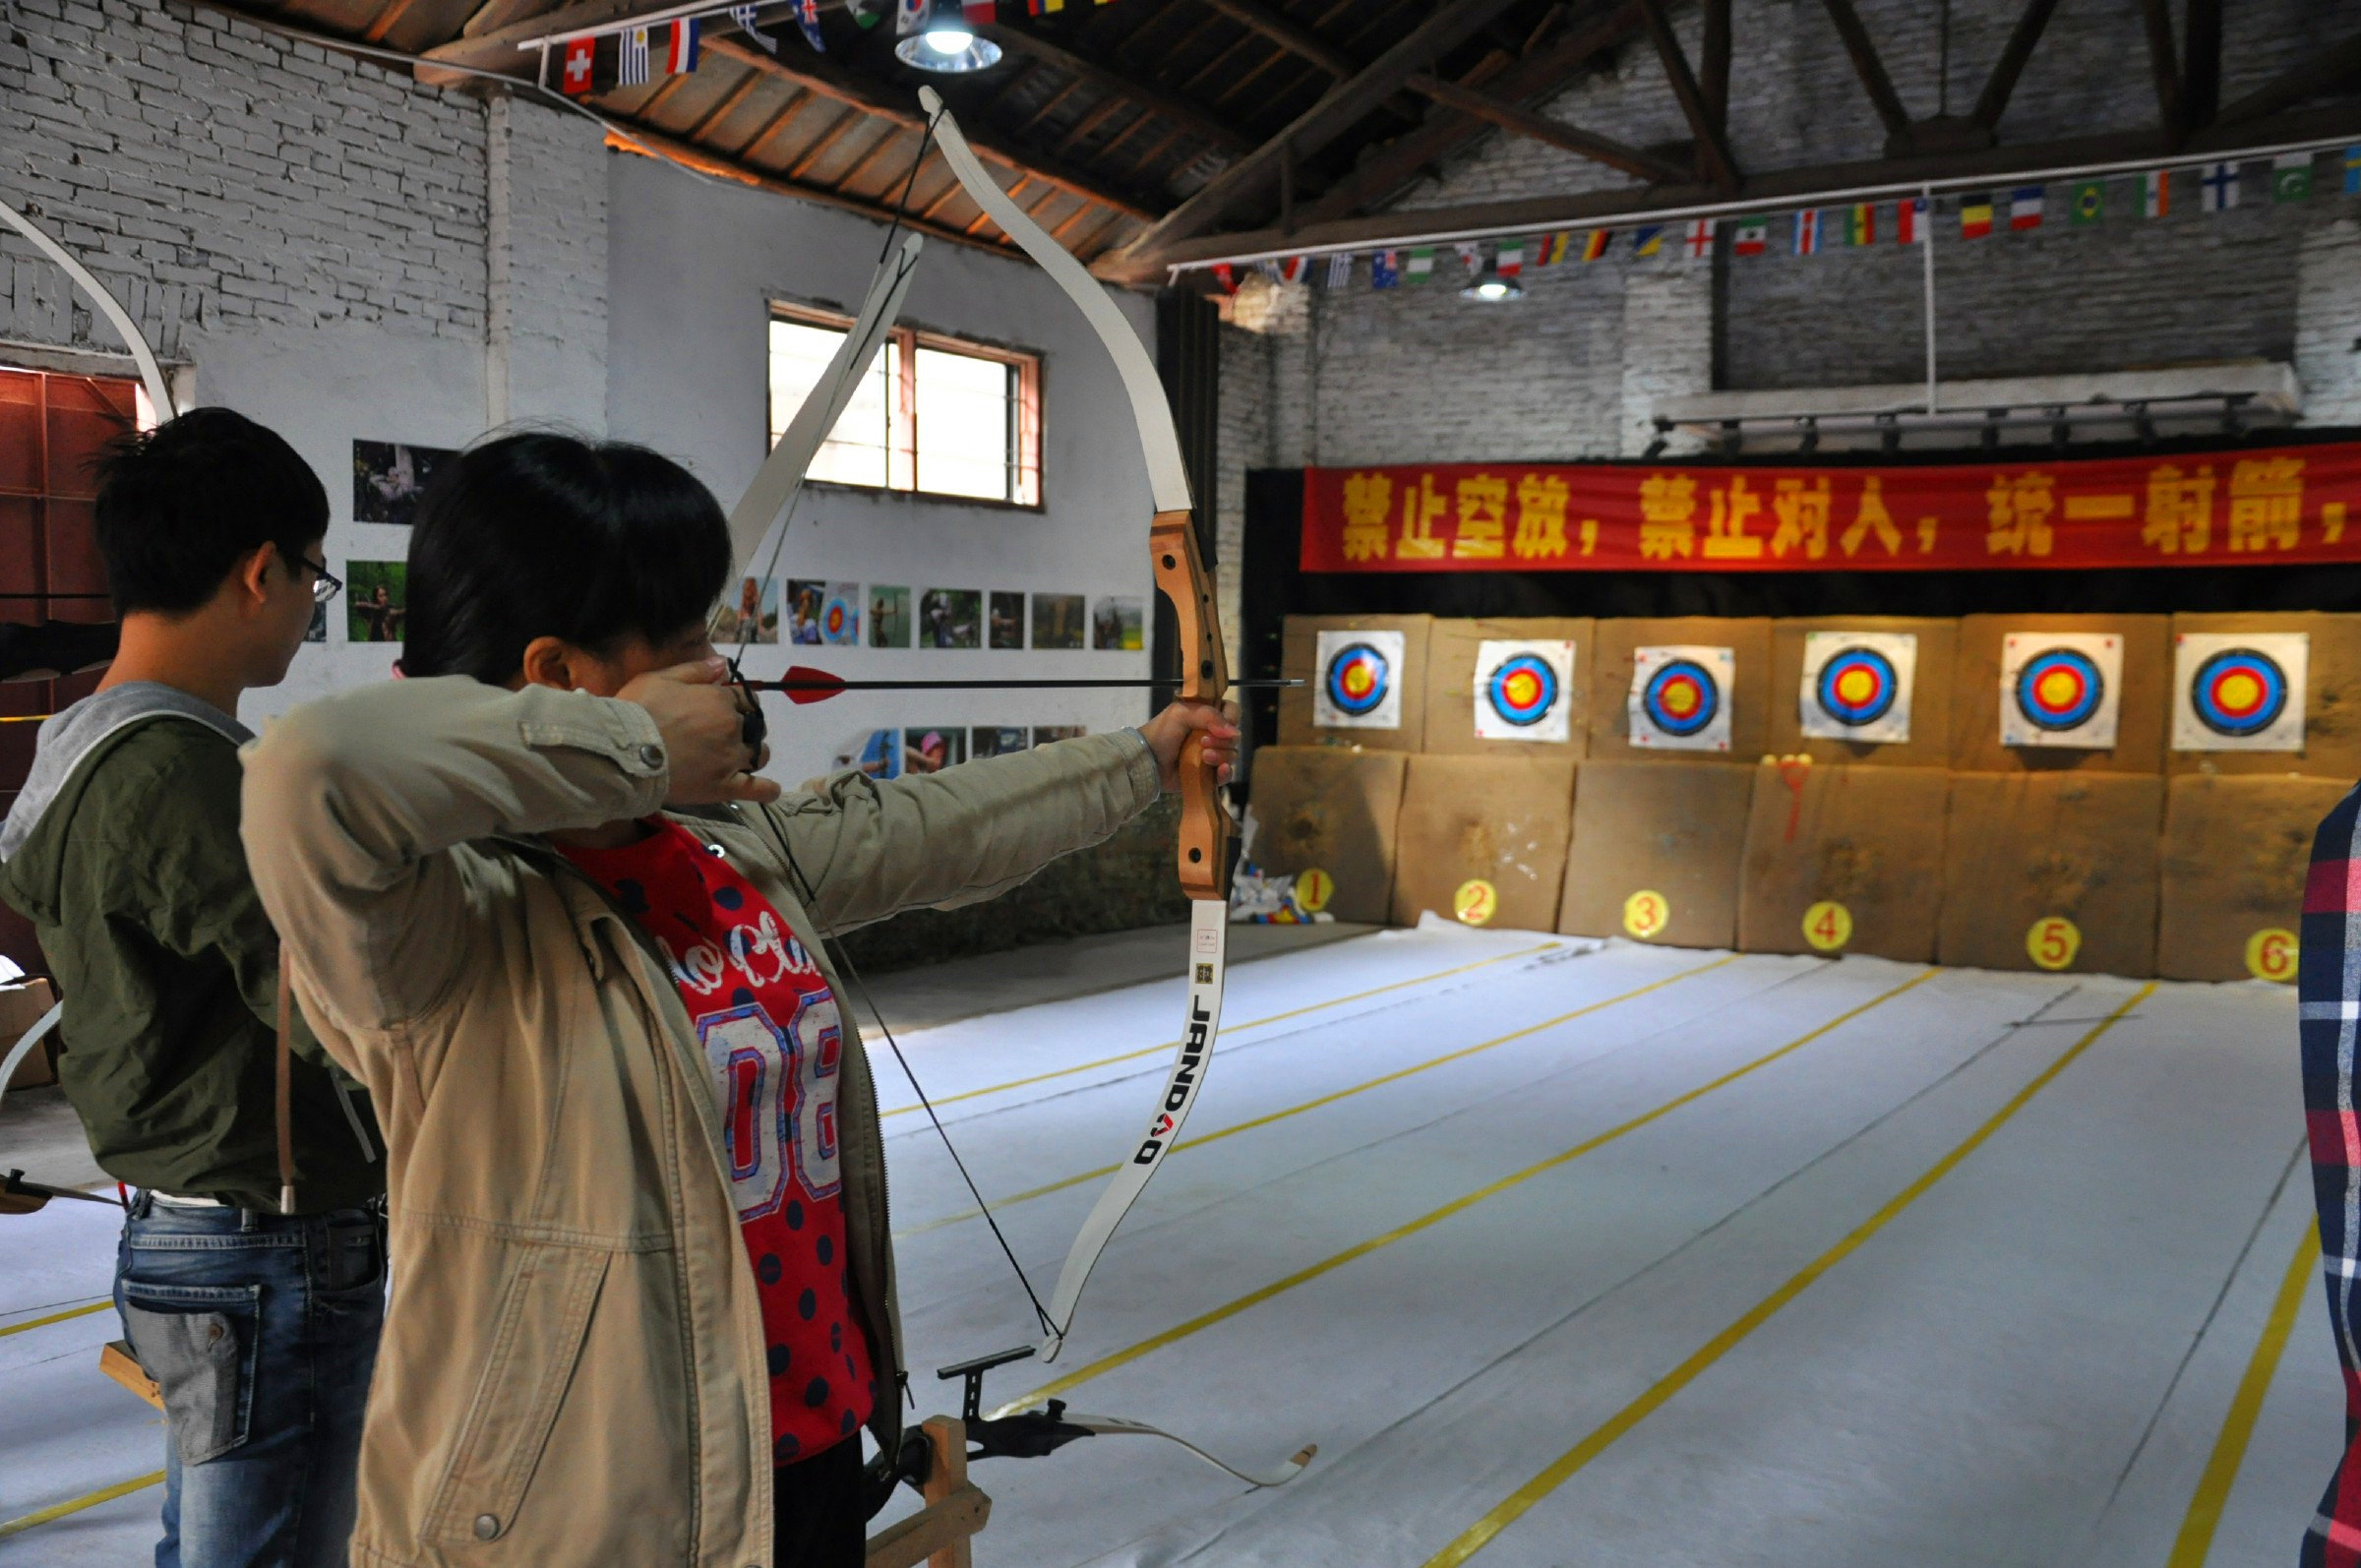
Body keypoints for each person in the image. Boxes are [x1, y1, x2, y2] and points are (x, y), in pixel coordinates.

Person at [238, 432, 1237, 1568]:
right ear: (561, 674)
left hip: (799, 1460)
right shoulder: (444, 925)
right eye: (689, 640)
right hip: (584, 1510)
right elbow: (308, 769)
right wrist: (634, 747)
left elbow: (939, 826)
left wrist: (1143, 759)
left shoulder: (727, 848)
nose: (724, 668)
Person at [0, 407, 386, 1568]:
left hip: (192, 1229)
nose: (306, 607)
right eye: (313, 578)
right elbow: (335, 1001)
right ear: (261, 570)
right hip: (263, 1241)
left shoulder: (81, 742)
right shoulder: (188, 773)